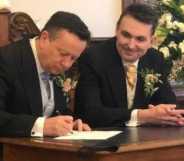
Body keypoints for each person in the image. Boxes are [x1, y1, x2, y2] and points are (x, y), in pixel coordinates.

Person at [75, 3, 184, 128]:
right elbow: (90, 114)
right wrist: (142, 116)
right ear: (116, 30)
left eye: (140, 39)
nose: (131, 45)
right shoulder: (93, 57)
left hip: (145, 139)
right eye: (126, 35)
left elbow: (169, 104)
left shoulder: (155, 58)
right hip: (103, 140)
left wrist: (169, 114)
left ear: (152, 41)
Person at [0, 11, 91, 137]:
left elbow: (56, 110)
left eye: (73, 58)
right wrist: (41, 126)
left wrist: (70, 124)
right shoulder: (6, 60)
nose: (66, 64)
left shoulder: (55, 64)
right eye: (63, 54)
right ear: (44, 39)